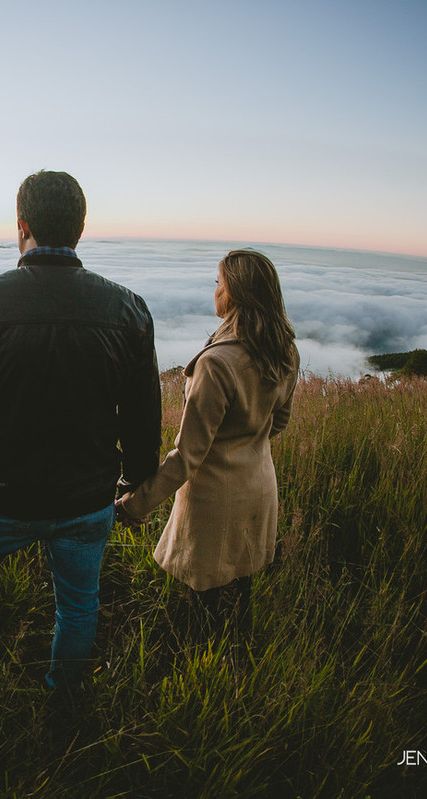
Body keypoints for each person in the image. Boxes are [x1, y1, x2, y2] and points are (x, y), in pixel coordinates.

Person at [0, 170, 161, 689]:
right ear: (79, 230)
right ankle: (63, 700)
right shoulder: (130, 310)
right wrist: (134, 487)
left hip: (7, 496)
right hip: (89, 500)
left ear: (22, 225)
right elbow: (143, 421)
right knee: (78, 605)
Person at [116, 249, 299, 618]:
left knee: (204, 609)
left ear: (234, 293)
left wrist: (132, 505)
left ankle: (206, 670)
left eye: (219, 283)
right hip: (260, 488)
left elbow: (188, 456)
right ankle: (240, 667)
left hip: (215, 501)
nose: (215, 291)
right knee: (240, 594)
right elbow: (278, 423)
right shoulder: (285, 351)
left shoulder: (217, 364)